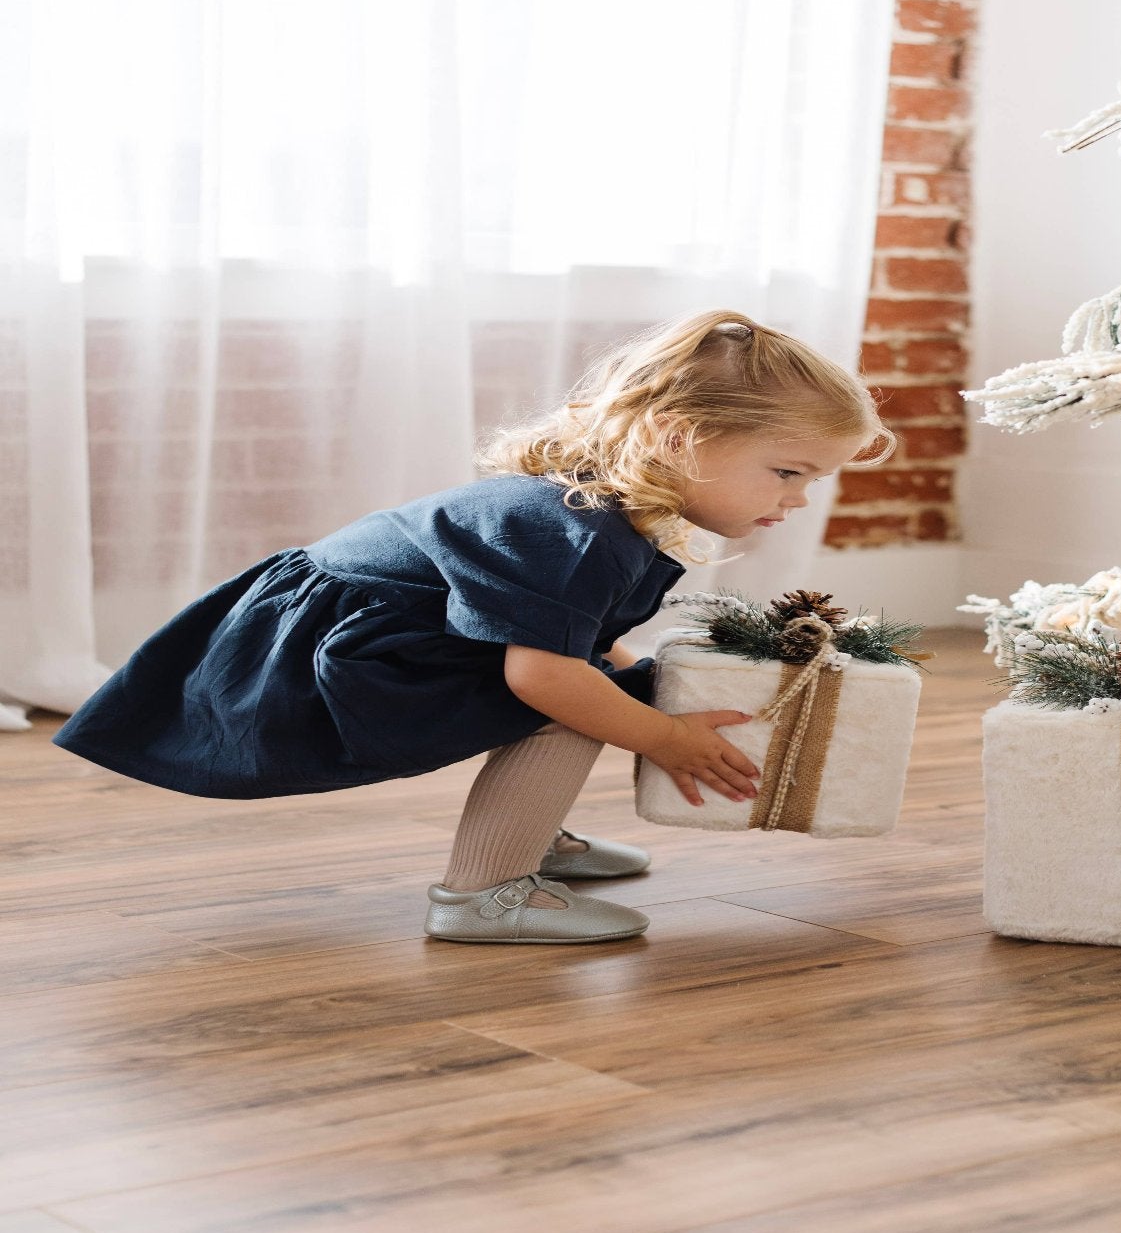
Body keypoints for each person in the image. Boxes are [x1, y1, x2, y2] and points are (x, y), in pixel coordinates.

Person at [53, 310, 895, 945]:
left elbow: (579, 639)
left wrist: (645, 692)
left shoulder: (604, 508)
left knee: (594, 688)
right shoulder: (576, 529)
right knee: (567, 704)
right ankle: (485, 892)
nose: (795, 499)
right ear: (679, 438)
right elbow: (545, 675)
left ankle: (531, 832)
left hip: (361, 635)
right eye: (788, 473)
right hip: (319, 664)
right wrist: (662, 735)